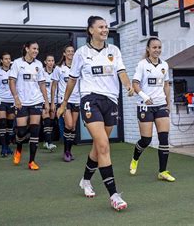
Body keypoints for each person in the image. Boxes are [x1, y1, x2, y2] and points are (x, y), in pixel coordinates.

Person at [57, 16, 134, 211]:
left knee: (99, 146)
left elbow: (122, 72)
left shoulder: (114, 50)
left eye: (106, 27)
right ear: (90, 30)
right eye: (100, 27)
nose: (105, 29)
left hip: (111, 101)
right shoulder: (81, 54)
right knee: (103, 145)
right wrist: (64, 102)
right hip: (90, 99)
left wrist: (127, 85)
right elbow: (72, 80)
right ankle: (114, 195)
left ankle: (85, 180)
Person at [129, 37, 175, 181]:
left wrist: (168, 104)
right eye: (154, 47)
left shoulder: (165, 65)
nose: (157, 50)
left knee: (163, 139)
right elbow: (135, 84)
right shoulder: (142, 64)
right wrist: (144, 96)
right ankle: (135, 158)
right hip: (145, 106)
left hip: (160, 105)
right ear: (148, 49)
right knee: (146, 140)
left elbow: (166, 86)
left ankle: (163, 171)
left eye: (159, 47)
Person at [9, 41, 50, 170]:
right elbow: (12, 81)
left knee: (35, 131)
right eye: (33, 48)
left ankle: (31, 161)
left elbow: (42, 84)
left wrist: (46, 101)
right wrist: (16, 98)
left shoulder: (38, 64)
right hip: (21, 102)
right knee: (21, 132)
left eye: (37, 49)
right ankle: (19, 149)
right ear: (26, 49)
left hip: (36, 101)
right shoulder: (17, 63)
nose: (36, 51)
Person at [52, 45, 81, 161]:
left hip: (76, 99)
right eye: (68, 51)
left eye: (72, 51)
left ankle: (69, 151)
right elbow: (54, 85)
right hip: (64, 101)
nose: (71, 53)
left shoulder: (77, 67)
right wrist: (53, 102)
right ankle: (66, 152)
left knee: (73, 127)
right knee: (68, 125)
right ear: (64, 54)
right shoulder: (59, 68)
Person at [42, 54, 57, 151]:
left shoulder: (56, 72)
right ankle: (49, 143)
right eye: (49, 60)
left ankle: (47, 141)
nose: (51, 62)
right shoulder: (41, 72)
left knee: (51, 122)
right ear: (45, 62)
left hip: (54, 101)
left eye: (52, 61)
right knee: (46, 121)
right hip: (43, 100)